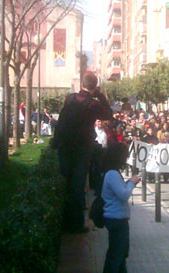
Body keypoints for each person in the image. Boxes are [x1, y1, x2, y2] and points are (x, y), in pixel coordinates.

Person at [51, 71, 112, 233]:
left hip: (64, 147)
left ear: (81, 85)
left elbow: (62, 120)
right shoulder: (93, 104)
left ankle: (63, 220)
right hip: (82, 149)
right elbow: (108, 114)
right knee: (77, 186)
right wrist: (100, 95)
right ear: (95, 87)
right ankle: (76, 224)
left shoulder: (70, 98)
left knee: (67, 183)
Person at [101, 142, 140, 273]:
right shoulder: (112, 174)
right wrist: (132, 182)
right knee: (116, 254)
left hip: (118, 218)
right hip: (115, 218)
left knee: (121, 254)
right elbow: (123, 194)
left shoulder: (113, 173)